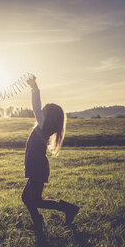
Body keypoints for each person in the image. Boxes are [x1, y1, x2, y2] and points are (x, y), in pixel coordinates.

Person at [22, 75, 79, 233]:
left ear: (49, 115)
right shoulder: (46, 126)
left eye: (44, 110)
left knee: (36, 200)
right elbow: (38, 109)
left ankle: (68, 209)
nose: (41, 112)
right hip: (36, 167)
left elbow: (35, 107)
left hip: (37, 168)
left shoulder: (45, 125)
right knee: (27, 198)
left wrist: (35, 88)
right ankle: (39, 221)